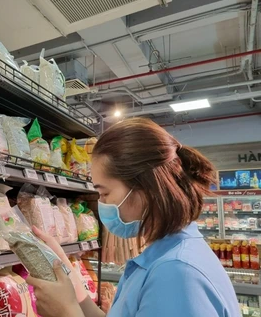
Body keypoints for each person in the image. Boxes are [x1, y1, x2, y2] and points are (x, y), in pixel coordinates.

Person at [26, 118, 239, 317]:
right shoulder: (165, 256)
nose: (102, 203)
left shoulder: (177, 274)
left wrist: (66, 312)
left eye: (105, 193)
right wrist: (69, 278)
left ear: (146, 188)